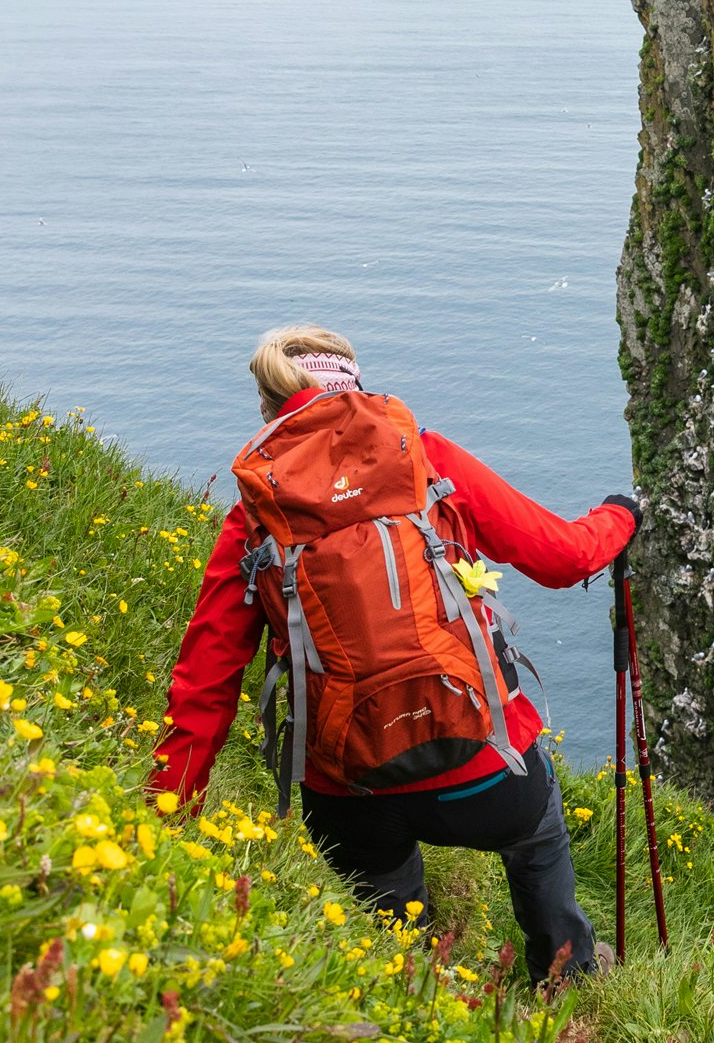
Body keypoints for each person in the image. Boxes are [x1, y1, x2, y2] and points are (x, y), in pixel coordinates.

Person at [150, 323, 638, 983]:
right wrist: (619, 516)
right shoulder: (425, 458)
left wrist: (161, 827)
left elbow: (204, 684)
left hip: (348, 788)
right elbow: (563, 556)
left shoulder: (256, 515)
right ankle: (570, 974)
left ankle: (407, 993)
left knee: (385, 927)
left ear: (269, 406)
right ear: (355, 387)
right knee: (538, 839)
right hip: (488, 769)